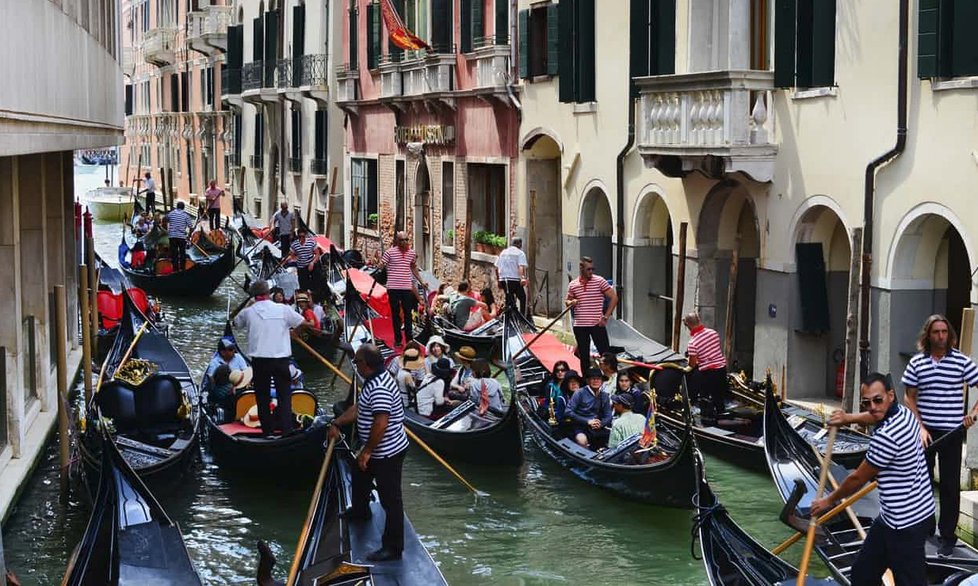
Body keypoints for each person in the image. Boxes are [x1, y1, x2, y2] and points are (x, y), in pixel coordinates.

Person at [810, 373, 936, 583]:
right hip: (898, 515)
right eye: (867, 402)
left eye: (878, 400)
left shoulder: (887, 437)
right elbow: (875, 415)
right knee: (862, 575)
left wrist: (828, 501)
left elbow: (857, 479)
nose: (873, 407)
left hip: (906, 524)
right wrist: (848, 418)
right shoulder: (904, 413)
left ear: (890, 396)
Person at [901, 314, 978, 555]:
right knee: (922, 483)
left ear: (950, 335)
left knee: (949, 485)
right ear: (928, 335)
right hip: (924, 433)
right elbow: (909, 397)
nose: (941, 336)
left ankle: (947, 536)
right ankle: (925, 529)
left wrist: (973, 414)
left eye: (944, 332)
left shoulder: (962, 362)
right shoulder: (917, 363)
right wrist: (920, 426)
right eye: (936, 332)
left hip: (953, 431)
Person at [328, 344, 409, 562]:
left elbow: (381, 423)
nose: (355, 365)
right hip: (378, 448)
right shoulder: (373, 381)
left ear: (366, 364)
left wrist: (367, 451)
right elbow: (360, 408)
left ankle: (393, 548)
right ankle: (360, 510)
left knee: (391, 500)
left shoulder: (380, 387)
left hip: (387, 452)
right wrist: (337, 421)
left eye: (356, 362)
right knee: (358, 472)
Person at [233, 280, 309, 435]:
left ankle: (267, 432)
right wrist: (295, 334)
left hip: (260, 362)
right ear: (269, 294)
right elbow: (303, 323)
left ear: (254, 296)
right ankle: (286, 430)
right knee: (284, 396)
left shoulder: (249, 312)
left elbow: (235, 323)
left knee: (262, 397)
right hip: (281, 361)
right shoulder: (283, 309)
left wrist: (249, 305)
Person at [565, 257, 618, 373]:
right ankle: (586, 381)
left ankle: (611, 378)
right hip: (580, 326)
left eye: (592, 269)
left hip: (597, 324)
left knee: (606, 354)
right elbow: (567, 302)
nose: (591, 272)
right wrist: (571, 302)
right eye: (588, 269)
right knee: (584, 356)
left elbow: (614, 298)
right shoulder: (573, 285)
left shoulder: (599, 281)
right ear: (581, 268)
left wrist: (606, 316)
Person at [377, 231, 424, 347]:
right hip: (393, 287)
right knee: (396, 314)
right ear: (397, 241)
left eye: (407, 240)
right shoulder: (389, 253)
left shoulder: (412, 253)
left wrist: (422, 282)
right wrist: (380, 264)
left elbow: (413, 268)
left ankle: (409, 339)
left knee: (408, 314)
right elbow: (381, 265)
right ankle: (398, 339)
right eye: (402, 240)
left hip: (406, 287)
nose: (405, 242)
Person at [683, 312, 728, 419]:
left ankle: (707, 419)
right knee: (719, 397)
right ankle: (722, 416)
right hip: (722, 369)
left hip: (708, 374)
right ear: (699, 321)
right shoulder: (713, 333)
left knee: (704, 398)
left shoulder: (692, 343)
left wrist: (684, 368)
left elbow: (692, 364)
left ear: (688, 325)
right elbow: (711, 352)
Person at [564, 368, 613, 449]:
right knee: (582, 440)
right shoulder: (579, 393)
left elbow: (608, 415)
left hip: (597, 426)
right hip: (580, 426)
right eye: (593, 379)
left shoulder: (604, 395)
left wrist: (601, 423)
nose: (596, 381)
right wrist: (588, 421)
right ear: (588, 381)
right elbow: (568, 412)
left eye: (598, 379)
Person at [495, 236, 528, 315]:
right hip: (514, 280)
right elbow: (521, 266)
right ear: (519, 244)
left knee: (509, 298)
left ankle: (509, 316)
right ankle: (522, 317)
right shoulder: (520, 253)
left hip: (503, 279)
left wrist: (498, 280)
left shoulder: (503, 252)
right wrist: (522, 278)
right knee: (522, 297)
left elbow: (496, 267)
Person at [290, 226, 319, 293]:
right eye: (300, 237)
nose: (301, 238)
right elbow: (291, 255)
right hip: (301, 267)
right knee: (303, 286)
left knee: (314, 284)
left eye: (303, 236)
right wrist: (296, 259)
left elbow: (317, 254)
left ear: (305, 236)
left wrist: (312, 263)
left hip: (310, 265)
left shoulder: (311, 242)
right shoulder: (295, 244)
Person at [166, 201, 192, 271]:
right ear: (183, 207)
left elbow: (165, 219)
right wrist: (189, 236)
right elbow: (190, 226)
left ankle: (175, 269)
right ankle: (182, 268)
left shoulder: (171, 214)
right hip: (181, 237)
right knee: (182, 253)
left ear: (177, 207)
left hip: (172, 236)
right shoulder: (186, 215)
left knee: (174, 253)